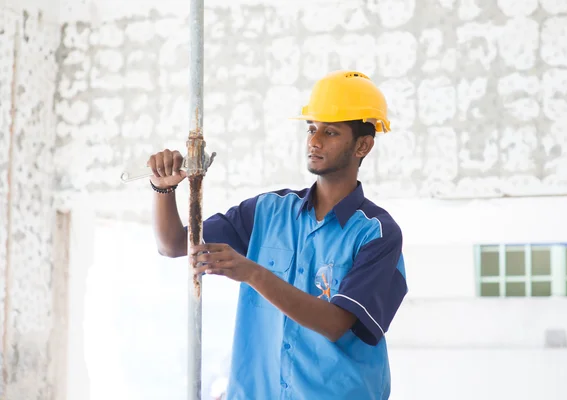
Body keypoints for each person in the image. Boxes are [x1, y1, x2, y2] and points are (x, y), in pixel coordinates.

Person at [148, 70, 408, 400]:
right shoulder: (267, 212)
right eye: (312, 128)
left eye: (330, 132)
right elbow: (172, 244)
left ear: (363, 145)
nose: (315, 141)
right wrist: (163, 189)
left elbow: (336, 324)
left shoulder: (376, 234)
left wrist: (253, 272)